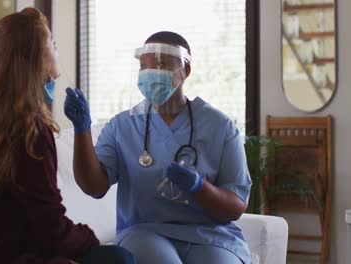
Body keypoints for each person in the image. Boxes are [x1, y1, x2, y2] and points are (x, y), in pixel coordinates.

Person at [0, 8, 135, 264]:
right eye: (53, 43)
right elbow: (51, 228)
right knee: (119, 259)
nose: (57, 50)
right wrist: (89, 239)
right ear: (37, 58)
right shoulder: (31, 131)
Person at [64, 31, 252, 264]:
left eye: (161, 63)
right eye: (143, 65)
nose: (150, 72)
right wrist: (82, 130)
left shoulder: (220, 127)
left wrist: (199, 187)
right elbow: (94, 186)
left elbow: (235, 206)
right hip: (144, 232)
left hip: (210, 237)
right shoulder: (122, 126)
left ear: (185, 70)